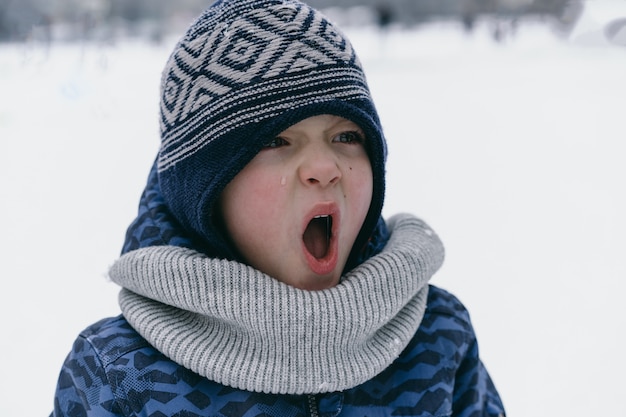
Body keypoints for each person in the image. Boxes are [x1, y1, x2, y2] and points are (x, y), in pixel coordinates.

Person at [51, 0, 506, 415]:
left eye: (347, 136)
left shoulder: (438, 337)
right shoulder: (118, 373)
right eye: (276, 140)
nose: (325, 167)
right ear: (205, 191)